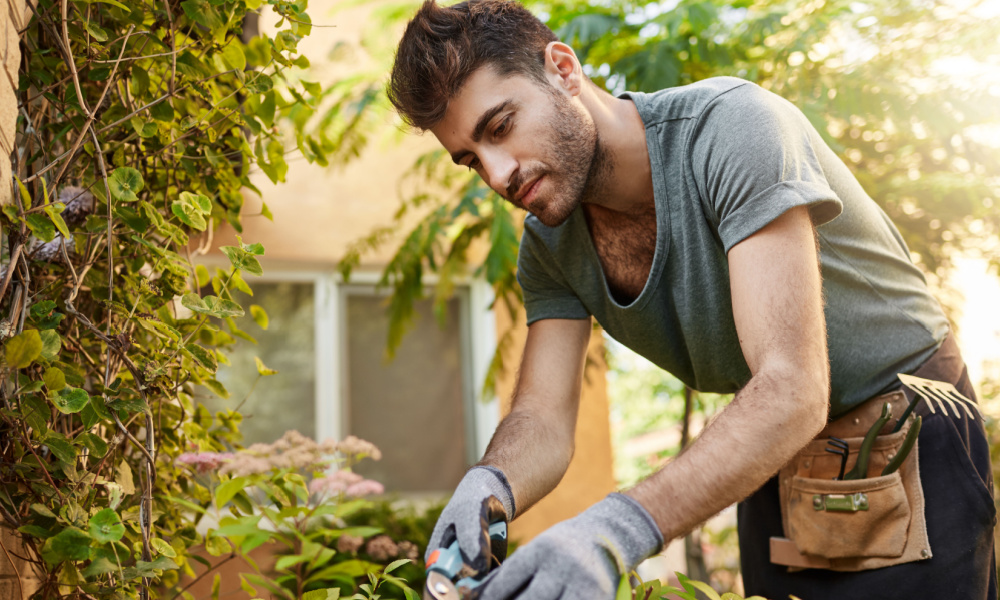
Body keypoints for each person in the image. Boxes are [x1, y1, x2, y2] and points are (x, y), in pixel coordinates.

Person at [387, 1, 998, 598]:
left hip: (905, 430)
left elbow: (791, 386)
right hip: (767, 447)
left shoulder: (732, 128)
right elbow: (543, 419)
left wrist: (613, 528)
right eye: (471, 160)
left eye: (500, 128)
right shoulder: (549, 245)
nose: (498, 175)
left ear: (563, 70)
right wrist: (489, 483)